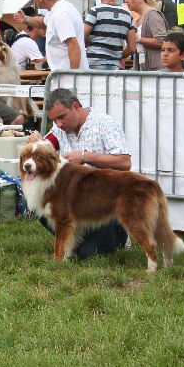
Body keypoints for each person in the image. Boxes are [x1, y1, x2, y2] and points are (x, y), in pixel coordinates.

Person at [26, 87, 131, 259]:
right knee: (36, 197)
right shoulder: (60, 130)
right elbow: (45, 147)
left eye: (62, 117)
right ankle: (71, 238)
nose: (59, 124)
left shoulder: (105, 124)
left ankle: (120, 235)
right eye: (54, 120)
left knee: (87, 254)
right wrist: (36, 142)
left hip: (103, 204)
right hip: (73, 203)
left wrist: (85, 156)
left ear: (76, 106)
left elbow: (125, 163)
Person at [13, 0, 88, 70]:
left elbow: (74, 46)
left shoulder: (60, 14)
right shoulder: (59, 9)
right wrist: (26, 19)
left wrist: (73, 76)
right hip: (64, 75)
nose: (34, 0)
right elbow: (44, 22)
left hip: (67, 77)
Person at [84, 0, 136, 71]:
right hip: (114, 66)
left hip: (94, 63)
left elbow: (83, 35)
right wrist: (118, 56)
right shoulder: (127, 15)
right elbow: (132, 48)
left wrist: (87, 40)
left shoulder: (95, 11)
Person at [123, 0, 167, 71]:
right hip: (143, 65)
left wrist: (138, 39)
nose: (126, 0)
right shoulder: (139, 18)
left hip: (155, 68)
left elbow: (162, 41)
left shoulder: (153, 14)